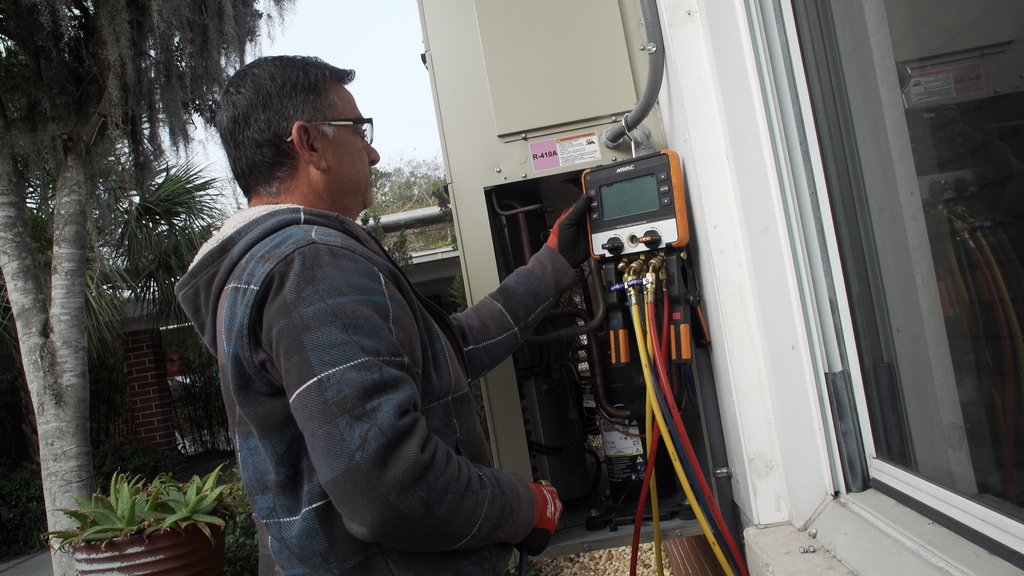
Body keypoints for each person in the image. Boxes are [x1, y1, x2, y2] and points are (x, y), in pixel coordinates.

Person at [174, 55, 592, 575]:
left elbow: (447, 351)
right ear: (309, 143)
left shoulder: (270, 268)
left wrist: (552, 263)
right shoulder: (310, 264)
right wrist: (525, 505)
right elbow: (391, 486)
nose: (372, 152)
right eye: (359, 129)